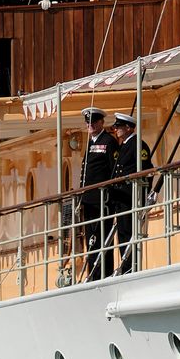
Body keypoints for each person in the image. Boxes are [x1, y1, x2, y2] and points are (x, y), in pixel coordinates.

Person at [107, 112, 152, 272]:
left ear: (128, 128)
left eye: (118, 127)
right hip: (121, 198)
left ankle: (131, 267)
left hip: (131, 197)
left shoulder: (138, 145)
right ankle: (126, 266)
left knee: (129, 233)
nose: (116, 130)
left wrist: (143, 195)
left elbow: (146, 170)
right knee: (123, 234)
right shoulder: (124, 145)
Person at [77, 106, 117, 279]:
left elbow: (113, 169)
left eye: (93, 122)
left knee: (101, 237)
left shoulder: (108, 141)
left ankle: (103, 274)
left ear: (101, 122)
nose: (90, 125)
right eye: (88, 122)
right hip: (89, 200)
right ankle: (93, 273)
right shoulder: (91, 142)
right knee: (91, 239)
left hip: (102, 199)